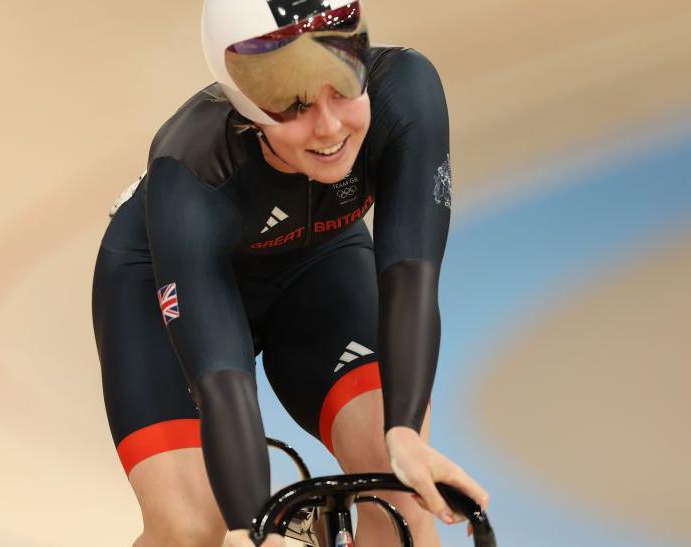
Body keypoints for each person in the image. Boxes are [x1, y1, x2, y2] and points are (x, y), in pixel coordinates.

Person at [91, 0, 488, 545]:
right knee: (190, 531)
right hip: (160, 282)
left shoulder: (406, 93)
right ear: (245, 105)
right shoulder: (192, 169)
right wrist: (251, 528)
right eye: (291, 104)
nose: (328, 127)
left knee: (403, 498)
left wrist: (404, 434)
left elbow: (411, 275)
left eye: (342, 84)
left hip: (318, 265)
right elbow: (220, 378)